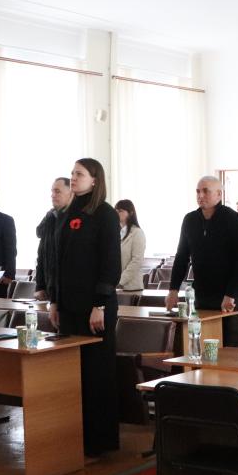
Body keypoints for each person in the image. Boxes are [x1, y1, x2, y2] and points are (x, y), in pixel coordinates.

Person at [47, 158, 121, 457]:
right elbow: (55, 260)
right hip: (68, 305)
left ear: (94, 180)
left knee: (96, 374)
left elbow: (110, 263)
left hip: (95, 307)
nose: (73, 178)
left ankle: (100, 441)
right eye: (72, 173)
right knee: (73, 373)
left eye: (79, 174)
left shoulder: (105, 213)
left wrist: (100, 303)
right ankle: (74, 437)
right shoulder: (67, 213)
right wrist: (54, 300)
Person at [167, 176, 238, 345]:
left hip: (227, 296)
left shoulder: (232, 219)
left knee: (226, 345)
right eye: (198, 191)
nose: (201, 195)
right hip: (200, 294)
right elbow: (181, 257)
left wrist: (231, 294)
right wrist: (173, 289)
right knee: (199, 342)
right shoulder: (190, 220)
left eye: (206, 191)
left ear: (219, 194)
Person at [34, 177, 72, 300]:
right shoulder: (50, 218)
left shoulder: (78, 218)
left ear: (71, 193)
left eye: (57, 191)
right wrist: (40, 286)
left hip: (71, 290)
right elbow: (42, 255)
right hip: (50, 289)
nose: (52, 195)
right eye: (52, 191)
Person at [115, 199, 147, 292]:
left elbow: (137, 261)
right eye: (115, 211)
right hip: (116, 286)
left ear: (131, 213)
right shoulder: (116, 233)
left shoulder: (137, 233)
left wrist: (120, 281)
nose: (116, 213)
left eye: (120, 211)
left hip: (132, 287)